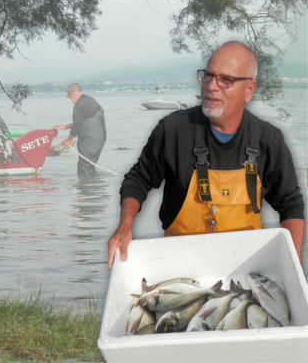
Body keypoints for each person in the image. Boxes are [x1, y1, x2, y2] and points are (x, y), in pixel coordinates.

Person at [107, 41, 305, 269]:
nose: (212, 86)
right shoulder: (173, 129)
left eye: (226, 79)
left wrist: (294, 263)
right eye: (209, 76)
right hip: (179, 263)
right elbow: (137, 180)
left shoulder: (268, 139)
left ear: (249, 90)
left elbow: (290, 203)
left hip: (246, 268)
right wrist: (124, 226)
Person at [53, 83, 106, 176]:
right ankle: (94, 187)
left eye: (69, 96)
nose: (70, 100)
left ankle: (85, 188)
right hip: (100, 140)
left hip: (88, 141)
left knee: (84, 169)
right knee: (91, 168)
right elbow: (84, 121)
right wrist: (65, 127)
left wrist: (68, 140)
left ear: (72, 93)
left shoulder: (79, 104)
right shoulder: (91, 101)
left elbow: (78, 125)